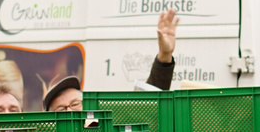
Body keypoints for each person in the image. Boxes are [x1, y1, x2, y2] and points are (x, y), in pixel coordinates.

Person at [42, 8, 179, 112]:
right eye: (61, 109)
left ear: (90, 106)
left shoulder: (109, 131)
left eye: (75, 104)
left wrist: (164, 55)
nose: (69, 111)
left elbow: (146, 105)